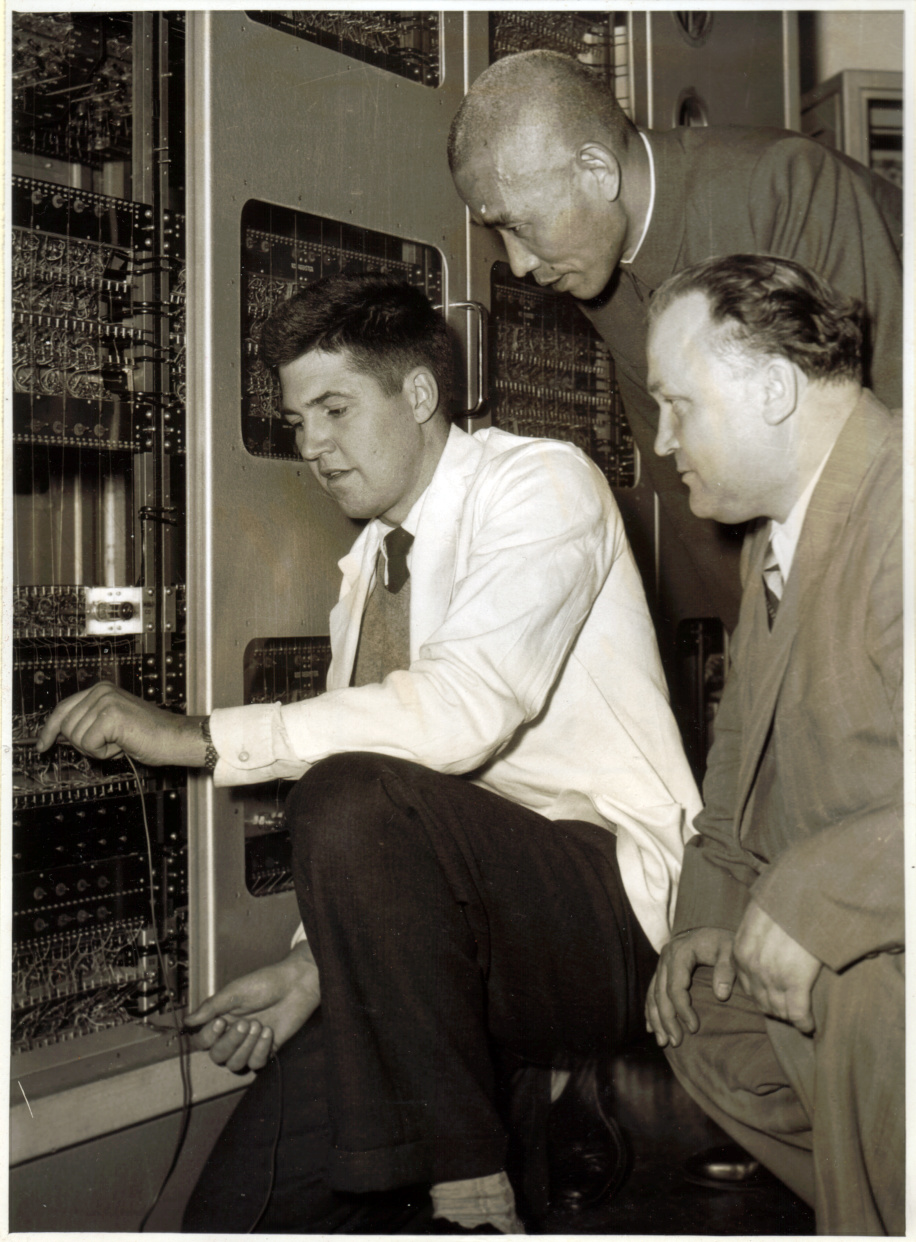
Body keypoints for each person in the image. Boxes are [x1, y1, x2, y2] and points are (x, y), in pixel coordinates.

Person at [38, 275, 701, 1233]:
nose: (311, 444)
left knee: (343, 792)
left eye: (335, 409)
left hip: (605, 912)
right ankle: (465, 1145)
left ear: (421, 395)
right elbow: (400, 810)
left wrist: (196, 737)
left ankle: (471, 1193)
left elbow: (454, 720)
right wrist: (314, 970)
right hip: (448, 943)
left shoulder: (541, 483)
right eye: (297, 418)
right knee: (237, 1211)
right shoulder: (369, 572)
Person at [448, 50, 903, 630]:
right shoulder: (599, 274)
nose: (515, 263)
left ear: (597, 170)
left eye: (518, 224)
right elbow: (695, 502)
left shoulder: (782, 188)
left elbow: (883, 434)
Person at [642, 255, 903, 1235]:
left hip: (886, 941)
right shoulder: (771, 537)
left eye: (676, 405)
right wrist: (712, 910)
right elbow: (740, 753)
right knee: (700, 1011)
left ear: (773, 389)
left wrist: (807, 901)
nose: (662, 439)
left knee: (868, 990)